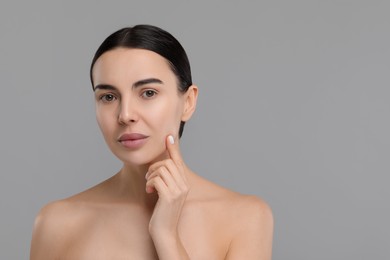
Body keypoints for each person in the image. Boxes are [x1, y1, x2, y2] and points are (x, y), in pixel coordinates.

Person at [30, 24, 273, 259]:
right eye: (108, 97)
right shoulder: (56, 223)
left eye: (148, 93)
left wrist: (166, 236)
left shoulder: (245, 218)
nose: (125, 115)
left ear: (188, 102)